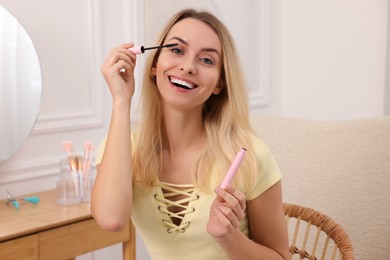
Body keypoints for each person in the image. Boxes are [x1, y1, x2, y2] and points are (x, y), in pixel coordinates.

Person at [91, 8, 290, 260]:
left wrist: (228, 236)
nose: (187, 66)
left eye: (206, 60)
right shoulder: (121, 148)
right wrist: (121, 101)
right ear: (154, 65)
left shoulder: (251, 157)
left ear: (219, 83)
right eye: (176, 50)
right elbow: (111, 219)